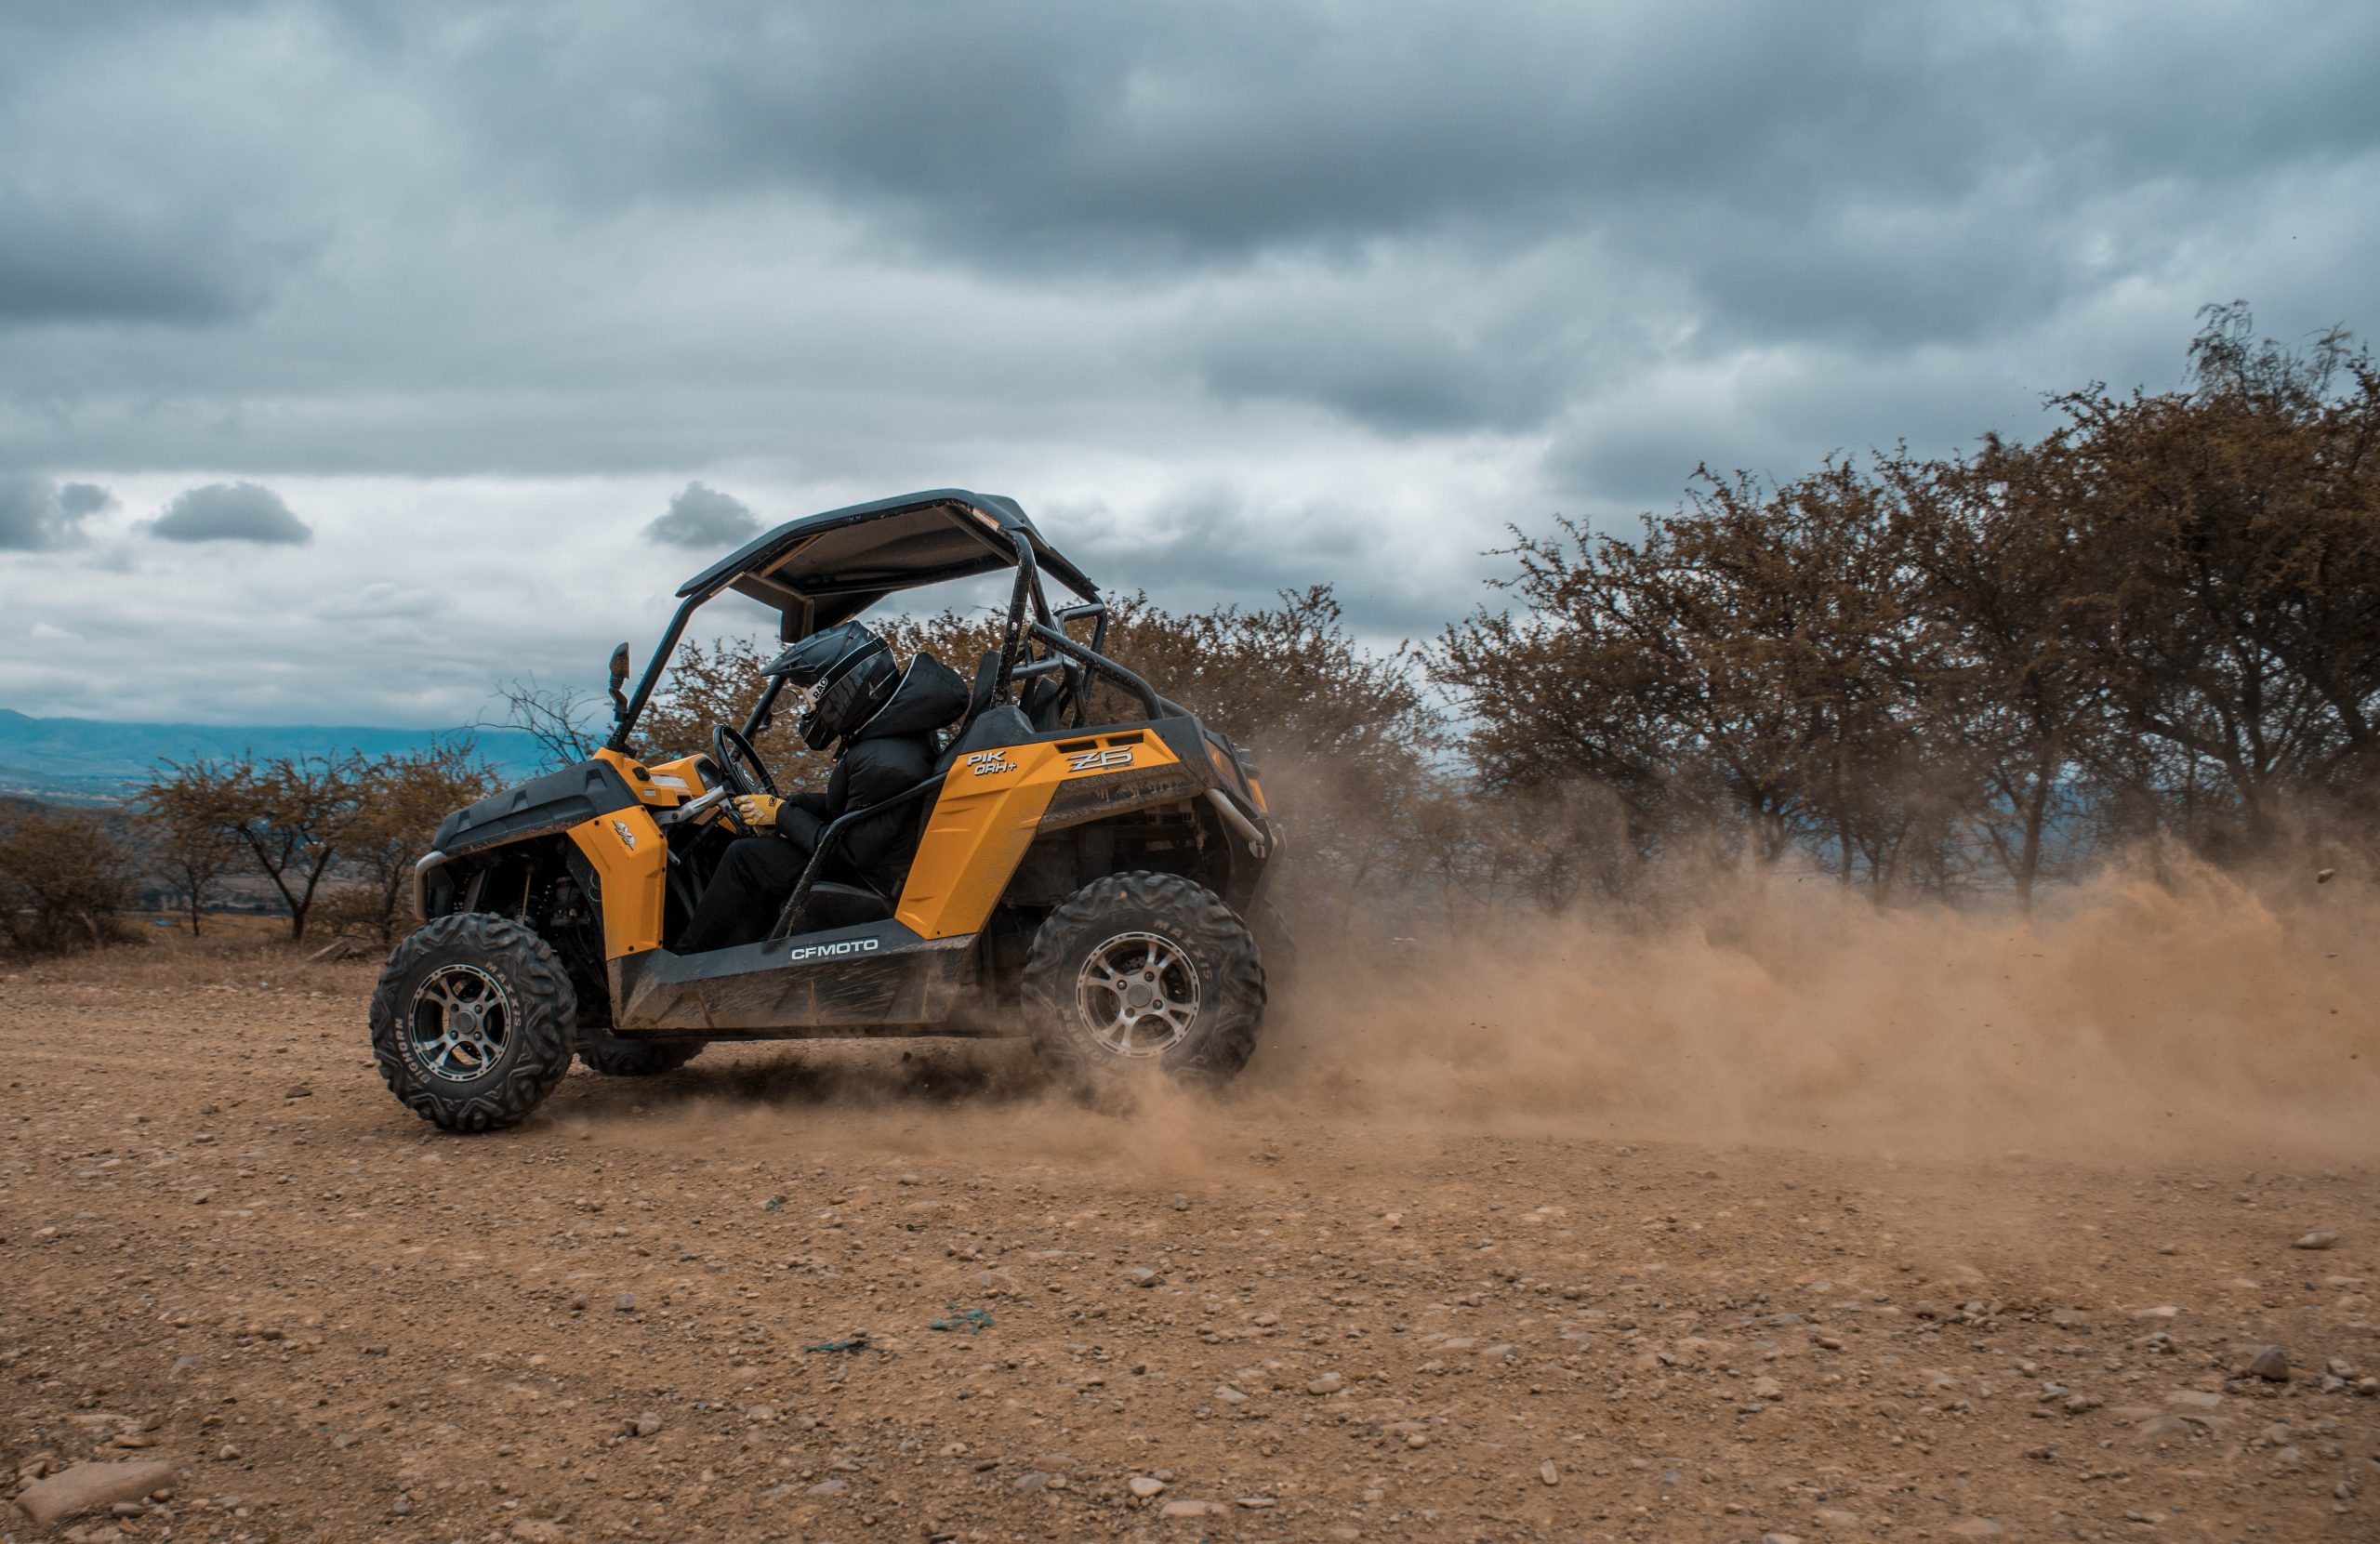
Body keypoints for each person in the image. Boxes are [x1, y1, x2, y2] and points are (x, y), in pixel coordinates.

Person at [674, 623, 967, 952]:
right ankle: (740, 953)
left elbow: (849, 851)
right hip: (878, 863)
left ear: (839, 691)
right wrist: (790, 804)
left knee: (746, 858)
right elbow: (857, 810)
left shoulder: (883, 760)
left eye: (808, 697)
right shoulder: (886, 737)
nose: (807, 709)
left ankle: (688, 959)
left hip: (871, 879)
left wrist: (782, 814)